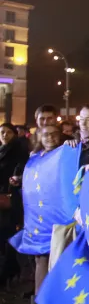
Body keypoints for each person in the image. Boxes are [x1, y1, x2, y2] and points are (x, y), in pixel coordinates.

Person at [24, 123, 64, 298]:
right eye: (46, 134)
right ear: (39, 137)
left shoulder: (67, 153)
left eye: (54, 133)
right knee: (41, 259)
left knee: (60, 258)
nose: (50, 137)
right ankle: (40, 298)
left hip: (60, 217)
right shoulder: (34, 159)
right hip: (39, 219)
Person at [0, 123, 27, 288]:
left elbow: (21, 171)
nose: (4, 135)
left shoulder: (18, 151)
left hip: (9, 198)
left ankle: (9, 270)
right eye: (2, 132)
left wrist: (16, 179)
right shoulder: (1, 150)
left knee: (7, 234)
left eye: (8, 132)